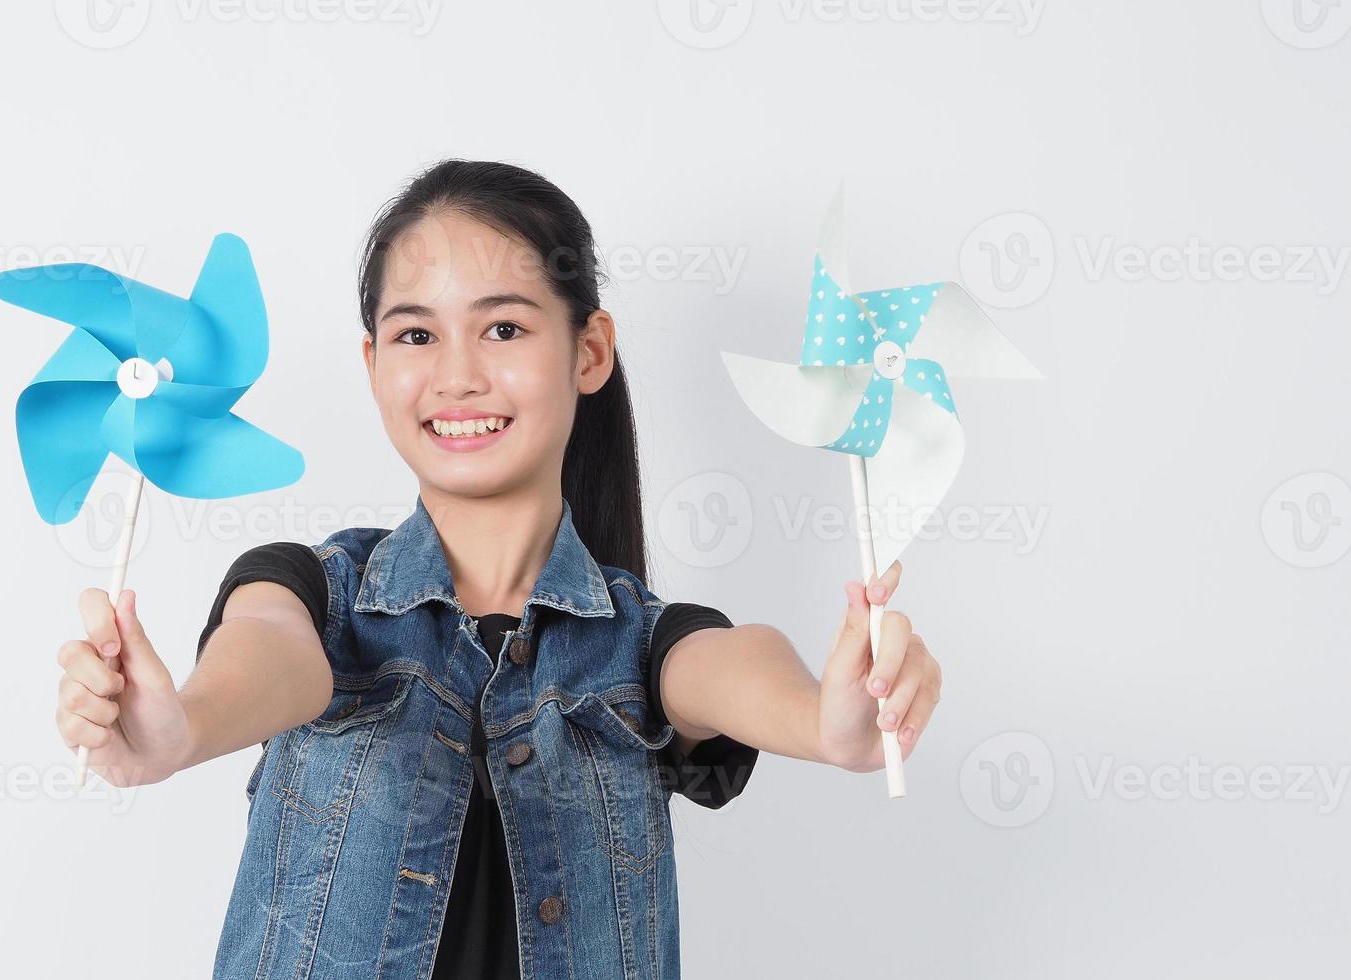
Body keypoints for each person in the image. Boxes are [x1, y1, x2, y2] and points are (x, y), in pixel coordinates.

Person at [50, 159, 943, 979]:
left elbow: (740, 668)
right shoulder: (313, 591)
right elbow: (268, 659)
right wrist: (182, 728)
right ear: (372, 365)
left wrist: (832, 721)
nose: (457, 376)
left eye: (504, 328)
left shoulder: (640, 642)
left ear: (589, 351)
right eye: (415, 337)